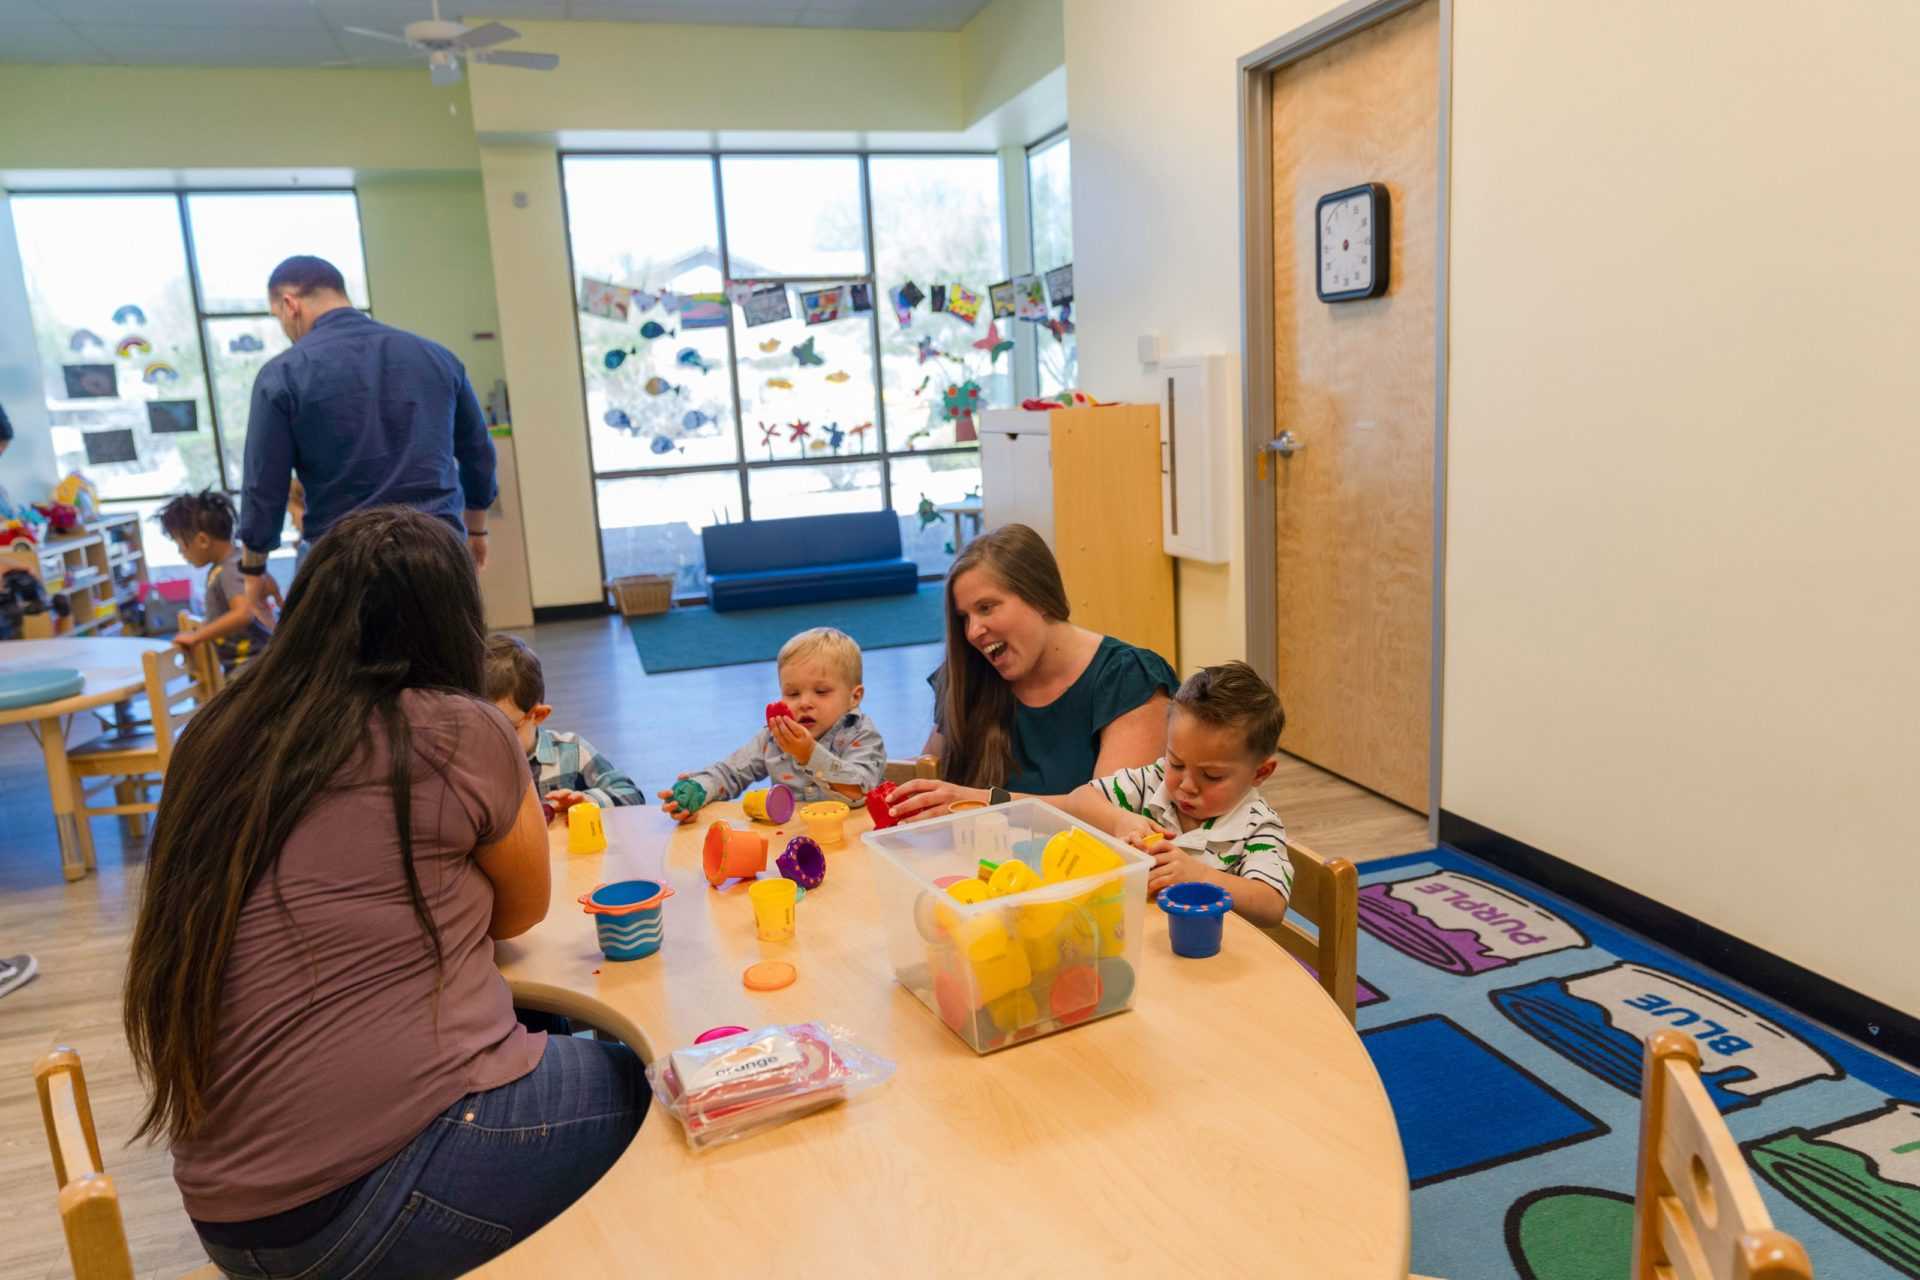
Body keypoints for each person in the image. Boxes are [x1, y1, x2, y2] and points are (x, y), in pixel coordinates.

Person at [123, 507, 644, 1280]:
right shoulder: (460, 728)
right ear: (452, 623)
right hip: (371, 1195)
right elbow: (521, 909)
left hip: (229, 1215)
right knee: (650, 1082)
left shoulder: (219, 730)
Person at [234, 255, 497, 622]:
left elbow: (264, 483)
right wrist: (477, 530)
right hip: (438, 551)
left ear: (290, 305)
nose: (285, 328)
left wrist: (254, 570)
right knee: (448, 672)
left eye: (278, 317)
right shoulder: (437, 357)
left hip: (347, 563)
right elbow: (478, 453)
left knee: (351, 677)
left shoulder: (283, 375)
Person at [889, 524, 1177, 821]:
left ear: (1038, 596)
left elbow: (1112, 819)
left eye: (986, 608)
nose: (973, 632)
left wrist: (984, 800)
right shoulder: (968, 676)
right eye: (964, 617)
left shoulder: (1130, 678)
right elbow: (928, 770)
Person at [1051, 661, 1294, 927]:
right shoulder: (1153, 781)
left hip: (1209, 953)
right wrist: (1119, 820)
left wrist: (1200, 875)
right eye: (1176, 763)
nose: (1186, 785)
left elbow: (1272, 905)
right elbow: (1077, 800)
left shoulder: (1257, 825)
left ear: (1260, 773)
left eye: (1211, 776)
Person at [661, 626, 886, 823]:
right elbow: (730, 773)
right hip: (791, 842)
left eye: (821, 692)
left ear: (854, 697)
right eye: (792, 693)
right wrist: (699, 789)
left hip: (852, 840)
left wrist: (808, 754)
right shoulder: (775, 736)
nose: (805, 703)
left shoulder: (862, 734)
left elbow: (859, 791)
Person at [485, 633, 643, 811]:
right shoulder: (468, 763)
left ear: (538, 715)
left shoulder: (571, 752)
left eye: (503, 729)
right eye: (478, 728)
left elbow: (631, 794)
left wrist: (587, 801)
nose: (487, 741)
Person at [153, 489, 277, 670]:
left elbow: (244, 612)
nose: (181, 553)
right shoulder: (230, 564)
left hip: (252, 667)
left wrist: (198, 636)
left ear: (203, 540)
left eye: (180, 545)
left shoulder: (230, 568)